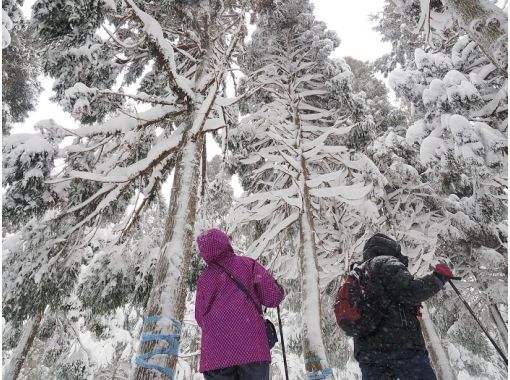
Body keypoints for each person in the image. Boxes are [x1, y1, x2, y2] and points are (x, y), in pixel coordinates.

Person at [354, 233, 457, 380]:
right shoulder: (387, 262)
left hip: (367, 353)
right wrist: (438, 278)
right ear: (390, 248)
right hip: (402, 347)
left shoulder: (358, 273)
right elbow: (410, 292)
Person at [194, 228, 284, 380]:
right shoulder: (247, 265)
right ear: (225, 242)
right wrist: (278, 289)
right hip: (253, 351)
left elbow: (199, 317)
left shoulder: (204, 279)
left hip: (216, 357)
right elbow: (273, 298)